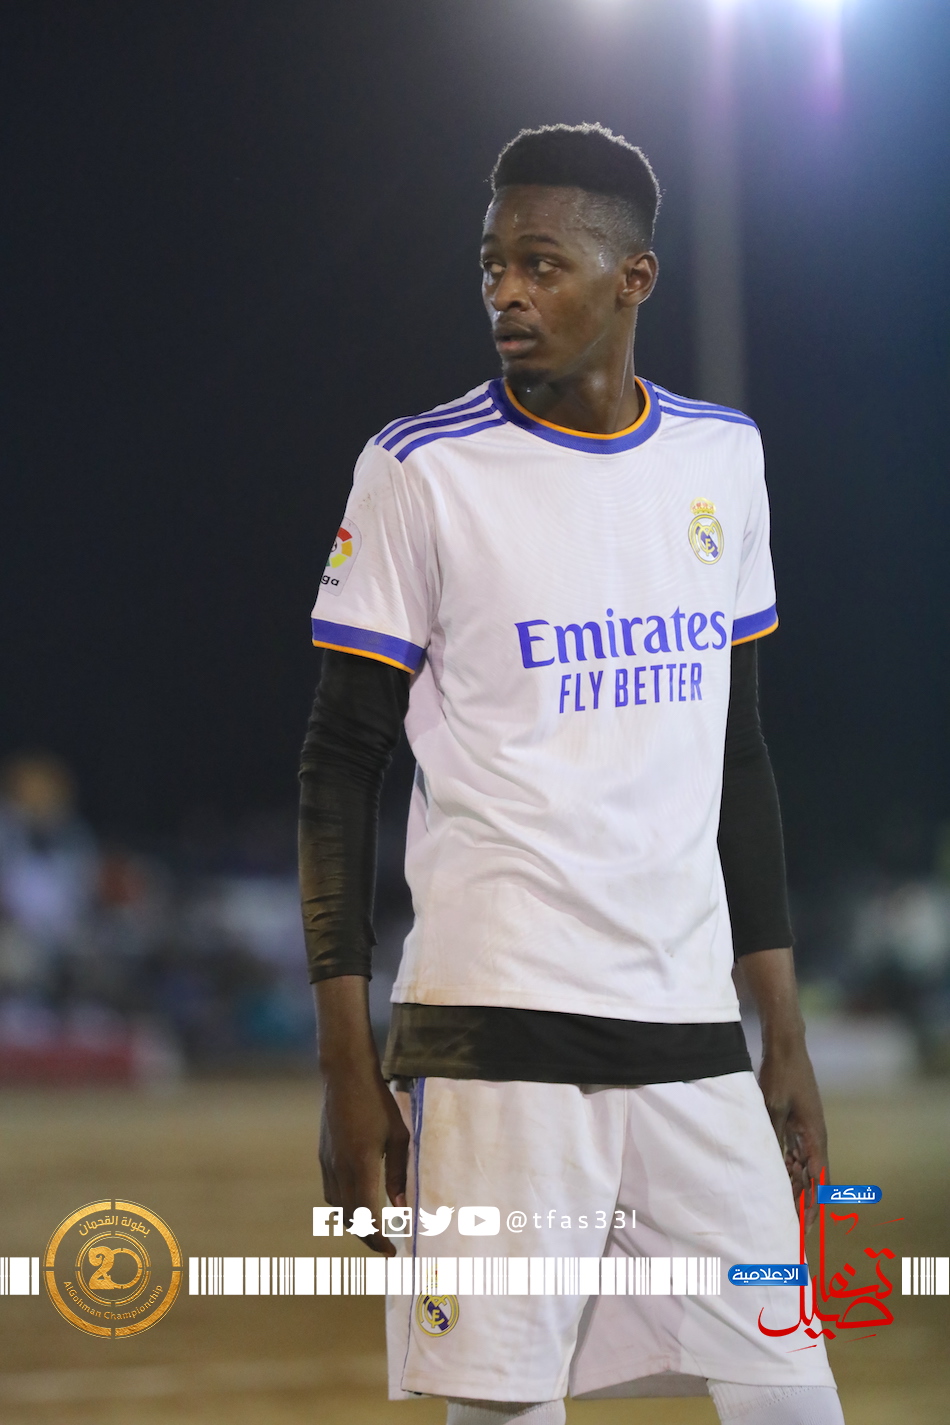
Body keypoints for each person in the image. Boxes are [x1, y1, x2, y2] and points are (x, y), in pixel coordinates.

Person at [299, 123, 843, 1425]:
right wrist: (346, 1070)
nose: (506, 291)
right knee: (503, 1406)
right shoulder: (420, 470)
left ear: (631, 278)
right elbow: (338, 768)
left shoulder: (723, 459)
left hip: (690, 1031)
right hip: (496, 1029)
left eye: (540, 264)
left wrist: (779, 1030)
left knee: (791, 1392)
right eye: (492, 264)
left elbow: (737, 755)